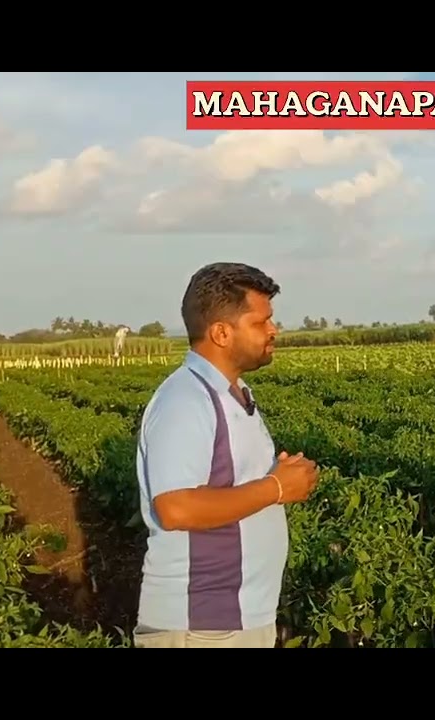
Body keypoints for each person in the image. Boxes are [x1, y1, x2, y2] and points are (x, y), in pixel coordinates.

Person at [133, 262, 319, 648]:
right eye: (261, 322)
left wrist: (278, 479)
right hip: (203, 624)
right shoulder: (186, 400)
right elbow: (175, 507)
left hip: (232, 621)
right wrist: (276, 487)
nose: (273, 330)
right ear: (221, 332)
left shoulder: (231, 393)